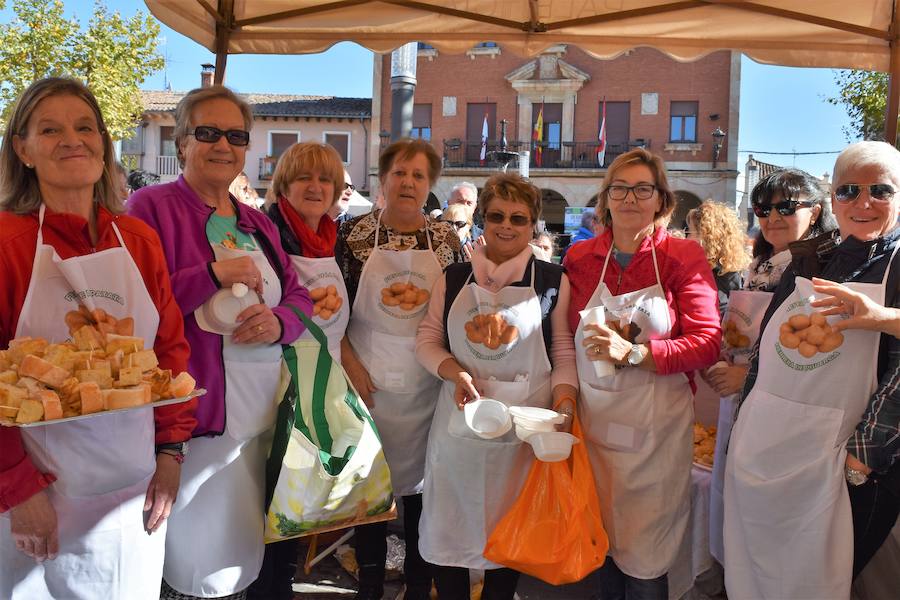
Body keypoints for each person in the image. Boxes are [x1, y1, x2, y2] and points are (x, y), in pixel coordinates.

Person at [0, 77, 196, 599]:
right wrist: (17, 491)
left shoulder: (139, 240)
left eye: (85, 127)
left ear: (105, 143)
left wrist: (172, 453)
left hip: (133, 488)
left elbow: (169, 354)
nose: (72, 139)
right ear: (22, 149)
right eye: (50, 129)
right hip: (34, 488)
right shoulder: (6, 244)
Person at [129, 85, 312, 600]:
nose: (221, 145)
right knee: (190, 566)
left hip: (260, 423)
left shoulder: (256, 221)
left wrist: (280, 323)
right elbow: (137, 301)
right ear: (183, 140)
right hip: (193, 426)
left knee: (240, 560)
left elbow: (298, 296)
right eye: (206, 132)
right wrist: (211, 272)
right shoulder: (150, 207)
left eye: (235, 135)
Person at [724, 141, 900, 598]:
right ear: (833, 197)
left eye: (880, 190)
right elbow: (766, 350)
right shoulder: (810, 256)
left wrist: (862, 455)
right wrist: (748, 417)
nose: (863, 203)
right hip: (769, 444)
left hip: (849, 457)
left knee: (823, 577)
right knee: (761, 568)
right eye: (849, 190)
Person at [564, 148, 721, 599]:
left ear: (661, 201)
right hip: (593, 427)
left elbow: (707, 342)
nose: (630, 198)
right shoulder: (579, 258)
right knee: (602, 544)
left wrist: (633, 353)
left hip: (655, 431)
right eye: (620, 188)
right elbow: (563, 340)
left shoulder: (682, 256)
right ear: (606, 199)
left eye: (643, 189)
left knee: (646, 558)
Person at [416, 173, 578, 599]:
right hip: (458, 431)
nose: (506, 225)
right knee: (448, 538)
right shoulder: (453, 278)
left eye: (518, 218)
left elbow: (562, 350)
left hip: (522, 435)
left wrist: (565, 400)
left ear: (533, 224)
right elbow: (427, 341)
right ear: (483, 219)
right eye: (496, 216)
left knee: (509, 539)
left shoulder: (552, 280)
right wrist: (456, 372)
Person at [336, 138, 462, 599]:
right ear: (383, 178)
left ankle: (417, 582)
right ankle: (369, 583)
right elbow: (331, 311)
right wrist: (348, 362)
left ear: (430, 185)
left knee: (423, 493)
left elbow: (458, 314)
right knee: (369, 489)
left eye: (419, 175)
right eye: (400, 173)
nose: (408, 182)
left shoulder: (448, 239)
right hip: (365, 379)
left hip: (429, 382)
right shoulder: (350, 235)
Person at [699, 169, 836, 564]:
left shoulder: (824, 268)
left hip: (782, 403)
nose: (773, 216)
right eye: (763, 209)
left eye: (786, 207)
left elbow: (819, 348)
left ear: (817, 209)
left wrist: (749, 376)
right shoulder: (760, 264)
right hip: (741, 396)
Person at [250, 142, 350, 598]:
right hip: (273, 380)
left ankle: (281, 583)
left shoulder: (333, 237)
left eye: (325, 180)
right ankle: (265, 588)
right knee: (268, 496)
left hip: (318, 382)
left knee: (297, 496)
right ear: (284, 186)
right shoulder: (267, 233)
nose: (315, 187)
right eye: (304, 178)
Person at [686, 200, 751, 316]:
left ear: (707, 237)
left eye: (691, 232)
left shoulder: (711, 274)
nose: (688, 238)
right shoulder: (732, 270)